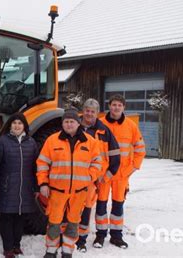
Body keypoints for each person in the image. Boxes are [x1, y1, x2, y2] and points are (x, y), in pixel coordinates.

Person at [36, 108, 102, 258]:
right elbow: (42, 163)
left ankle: (67, 250)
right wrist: (43, 183)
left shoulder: (90, 142)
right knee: (54, 222)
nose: (69, 124)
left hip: (79, 192)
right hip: (57, 191)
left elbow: (98, 163)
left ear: (78, 123)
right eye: (66, 121)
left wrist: (89, 177)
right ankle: (51, 250)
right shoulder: (52, 140)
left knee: (73, 223)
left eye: (72, 121)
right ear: (62, 124)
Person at [95, 94, 146, 249]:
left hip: (122, 175)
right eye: (114, 104)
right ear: (109, 106)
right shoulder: (100, 124)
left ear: (124, 107)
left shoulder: (131, 126)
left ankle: (116, 236)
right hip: (104, 174)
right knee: (101, 206)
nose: (116, 107)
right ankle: (100, 236)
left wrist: (132, 168)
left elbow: (140, 149)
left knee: (118, 206)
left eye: (119, 105)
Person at [76, 98, 121, 253]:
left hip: (94, 180)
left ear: (97, 113)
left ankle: (82, 239)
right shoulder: (74, 127)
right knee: (73, 209)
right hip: (75, 178)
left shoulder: (104, 131)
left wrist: (104, 177)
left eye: (92, 111)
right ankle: (70, 238)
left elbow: (115, 157)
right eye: (87, 110)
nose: (89, 114)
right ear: (83, 111)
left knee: (88, 208)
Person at [0, 113, 39, 258]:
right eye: (14, 123)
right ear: (10, 125)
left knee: (20, 217)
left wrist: (37, 187)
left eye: (20, 123)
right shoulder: (2, 142)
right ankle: (8, 248)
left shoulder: (31, 142)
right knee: (7, 217)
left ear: (24, 126)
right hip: (7, 186)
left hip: (25, 187)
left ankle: (16, 245)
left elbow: (35, 167)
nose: (17, 126)